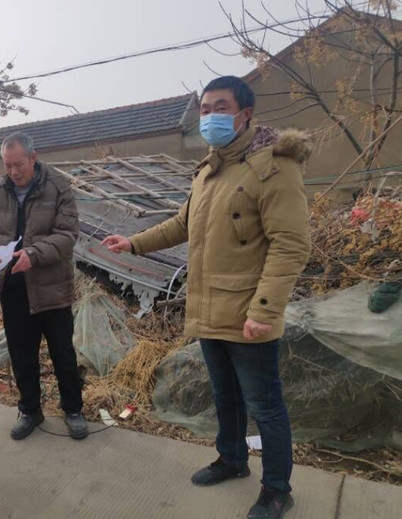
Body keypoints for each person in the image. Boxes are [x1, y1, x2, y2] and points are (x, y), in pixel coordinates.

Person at [102, 76, 311, 519]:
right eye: (204, 109)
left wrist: (265, 310)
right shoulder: (209, 171)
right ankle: (232, 459)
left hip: (250, 314)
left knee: (265, 407)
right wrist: (134, 243)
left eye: (220, 107)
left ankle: (277, 490)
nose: (209, 116)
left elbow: (291, 245)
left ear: (245, 114)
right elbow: (182, 224)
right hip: (210, 307)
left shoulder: (274, 167)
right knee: (225, 396)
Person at [0, 132, 88, 441]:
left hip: (50, 286)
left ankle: (73, 409)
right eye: (7, 165)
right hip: (13, 288)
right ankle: (30, 409)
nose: (13, 172)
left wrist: (34, 253)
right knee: (21, 355)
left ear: (33, 158)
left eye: (18, 164)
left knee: (62, 353)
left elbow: (67, 234)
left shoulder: (58, 187)